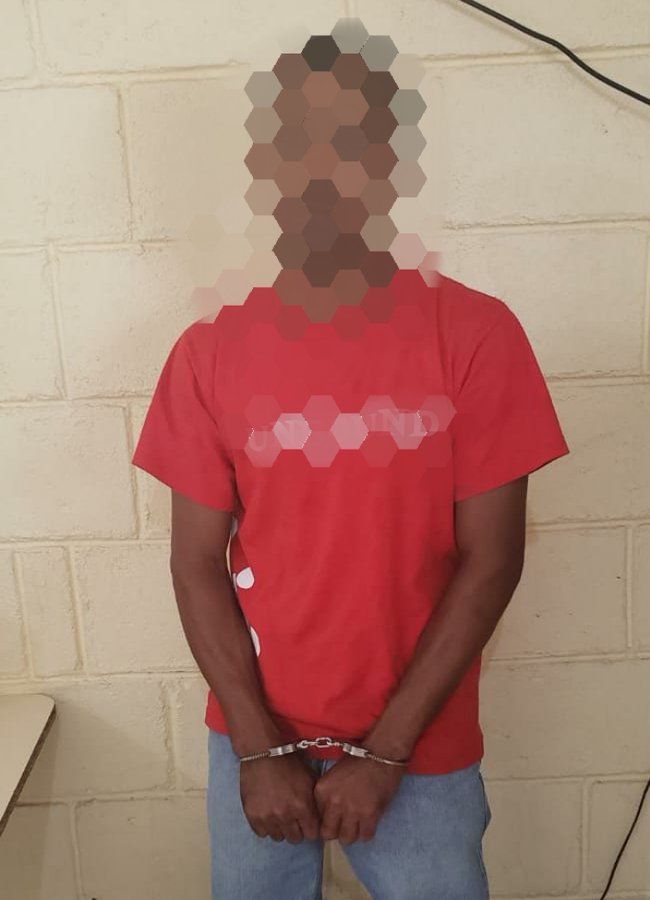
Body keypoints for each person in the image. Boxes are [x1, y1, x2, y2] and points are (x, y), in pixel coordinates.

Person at [132, 22, 570, 900]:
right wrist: (256, 747)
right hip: (255, 743)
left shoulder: (475, 335)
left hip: (420, 748)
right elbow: (195, 564)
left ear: (390, 164)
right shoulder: (210, 352)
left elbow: (492, 561)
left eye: (351, 143)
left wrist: (385, 754)